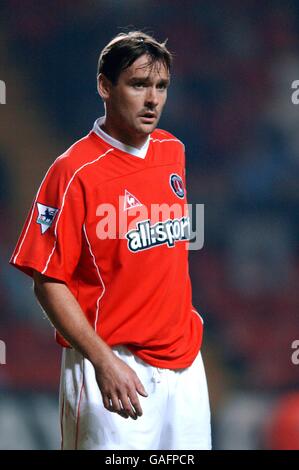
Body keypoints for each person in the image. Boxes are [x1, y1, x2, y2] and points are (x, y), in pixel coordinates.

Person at [9, 31, 211, 450]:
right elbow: (47, 279)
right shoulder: (73, 172)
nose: (152, 99)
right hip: (113, 365)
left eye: (161, 87)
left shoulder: (173, 151)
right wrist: (103, 361)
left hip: (185, 367)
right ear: (105, 86)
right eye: (139, 85)